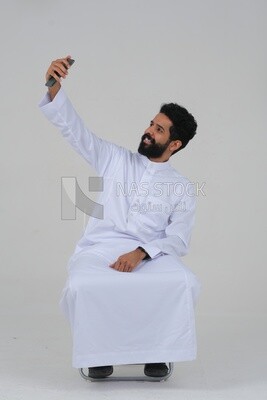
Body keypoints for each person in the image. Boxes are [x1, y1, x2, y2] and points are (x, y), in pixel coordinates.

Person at [39, 55, 201, 379]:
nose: (148, 131)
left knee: (183, 281)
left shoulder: (182, 187)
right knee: (83, 284)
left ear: (175, 143)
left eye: (158, 130)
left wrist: (141, 253)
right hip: (100, 249)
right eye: (150, 124)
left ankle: (159, 352)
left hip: (151, 254)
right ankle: (97, 354)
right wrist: (53, 85)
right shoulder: (115, 159)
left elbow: (178, 239)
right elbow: (75, 131)